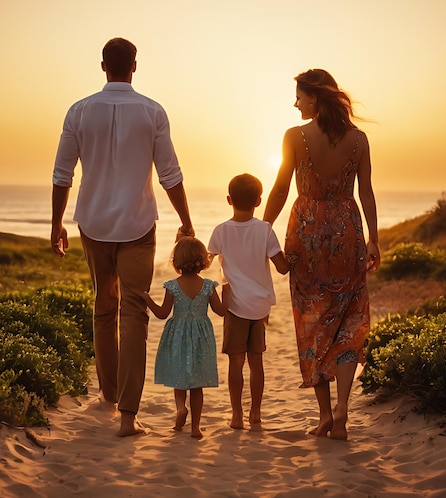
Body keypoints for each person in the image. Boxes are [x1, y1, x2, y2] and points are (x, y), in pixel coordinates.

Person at [51, 37, 194, 437]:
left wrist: (56, 223)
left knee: (103, 306)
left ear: (102, 66)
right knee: (134, 315)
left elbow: (63, 174)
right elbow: (170, 174)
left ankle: (109, 395)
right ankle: (128, 416)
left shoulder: (78, 111)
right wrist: (186, 220)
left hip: (93, 225)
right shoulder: (152, 111)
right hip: (137, 226)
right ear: (135, 65)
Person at [263, 68, 379, 441]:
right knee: (348, 320)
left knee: (313, 323)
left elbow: (281, 188)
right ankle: (343, 408)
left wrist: (262, 229)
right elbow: (367, 193)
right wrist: (373, 239)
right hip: (347, 230)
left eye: (299, 95)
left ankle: (326, 414)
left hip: (308, 232)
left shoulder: (295, 137)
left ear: (314, 97)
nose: (295, 102)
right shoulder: (359, 140)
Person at [208, 173, 290, 430]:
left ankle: (236, 415)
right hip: (260, 307)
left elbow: (203, 261)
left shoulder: (220, 231)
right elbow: (283, 268)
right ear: (258, 201)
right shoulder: (265, 229)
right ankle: (255, 412)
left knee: (236, 362)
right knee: (257, 362)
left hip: (234, 306)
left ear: (229, 199)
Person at [144, 237, 227, 439]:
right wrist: (229, 294)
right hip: (201, 336)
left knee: (179, 377)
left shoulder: (172, 286)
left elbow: (163, 313)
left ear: (177, 260)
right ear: (202, 260)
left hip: (178, 334)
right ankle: (195, 427)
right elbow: (221, 311)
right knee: (197, 383)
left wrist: (147, 299)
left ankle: (181, 408)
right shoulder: (208, 286)